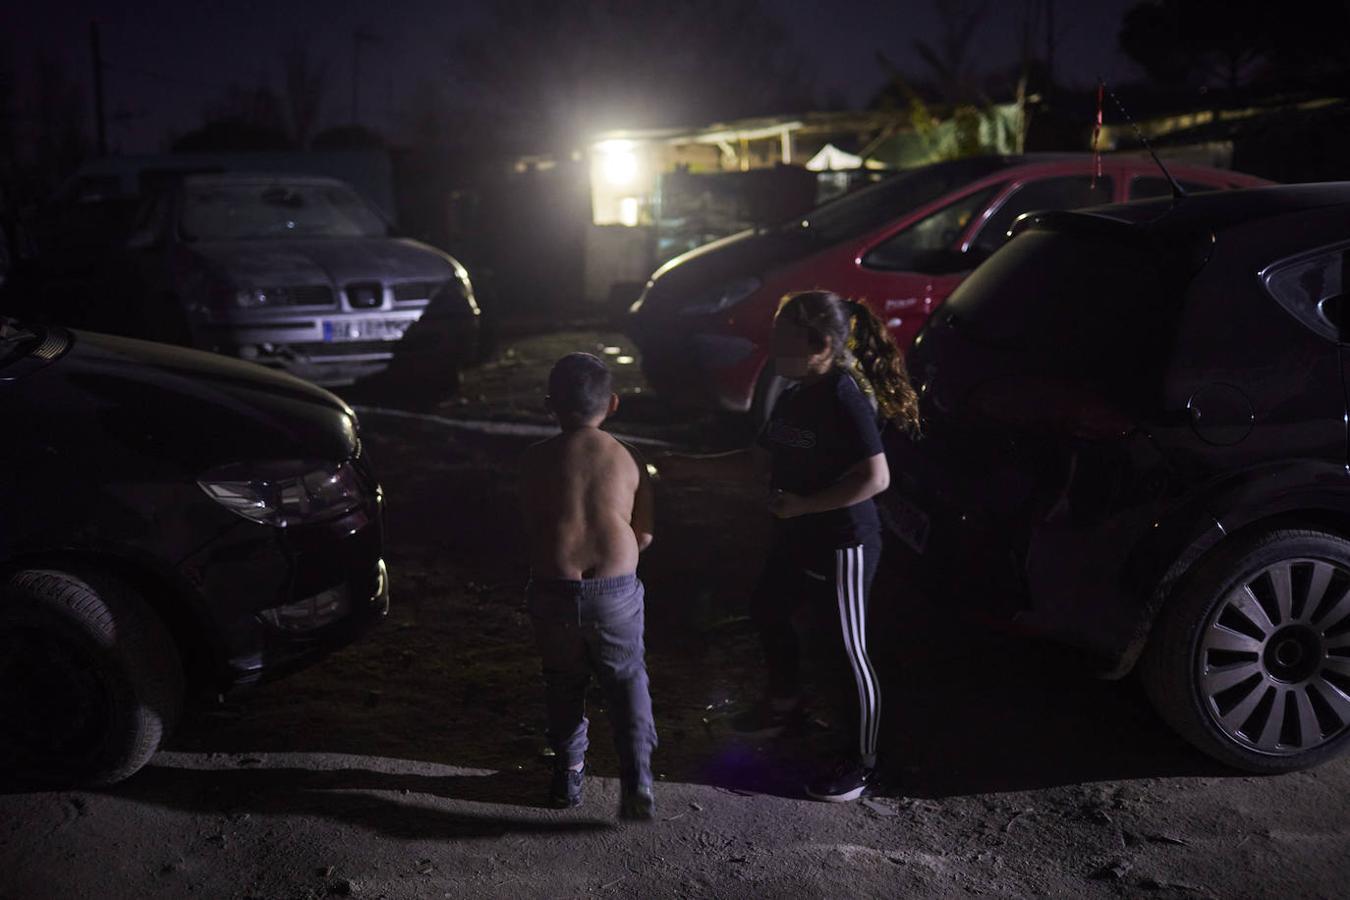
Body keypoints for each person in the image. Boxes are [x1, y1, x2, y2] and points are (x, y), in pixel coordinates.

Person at [667, 291, 920, 802]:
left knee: (848, 648)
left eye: (782, 339)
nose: (771, 346)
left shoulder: (844, 394)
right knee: (769, 607)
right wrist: (683, 466)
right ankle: (785, 707)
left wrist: (805, 506)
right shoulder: (794, 390)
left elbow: (876, 477)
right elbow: (759, 459)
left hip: (843, 542)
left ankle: (864, 762)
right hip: (798, 533)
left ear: (821, 344)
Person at [519, 352, 658, 820]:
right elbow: (645, 534)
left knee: (563, 682)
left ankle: (568, 774)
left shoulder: (534, 459)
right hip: (615, 591)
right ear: (613, 404)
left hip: (553, 590)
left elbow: (531, 524)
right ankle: (637, 777)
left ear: (548, 405)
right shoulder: (631, 457)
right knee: (626, 679)